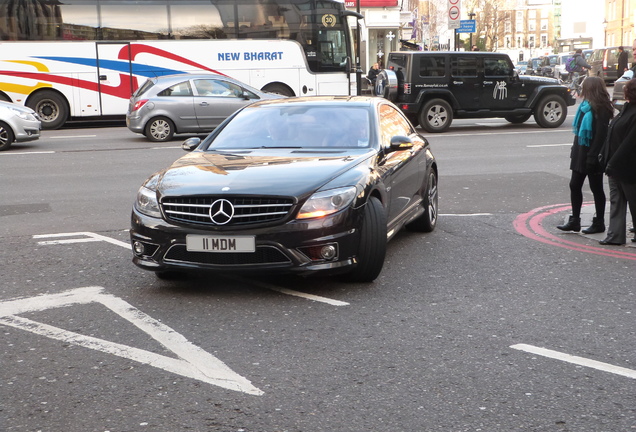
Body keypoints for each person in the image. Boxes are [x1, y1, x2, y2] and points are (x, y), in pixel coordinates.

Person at [557, 76, 613, 233]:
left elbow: (601, 136)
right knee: (574, 185)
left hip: (592, 155)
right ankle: (575, 220)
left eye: (584, 87)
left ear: (591, 89)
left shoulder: (601, 109)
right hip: (580, 152)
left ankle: (599, 222)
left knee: (596, 188)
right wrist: (575, 149)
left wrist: (592, 156)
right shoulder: (585, 106)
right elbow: (579, 132)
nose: (582, 89)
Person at [598, 78, 636, 245]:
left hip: (628, 167)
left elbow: (629, 143)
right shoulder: (626, 109)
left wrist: (612, 162)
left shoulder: (633, 113)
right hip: (614, 166)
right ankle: (615, 235)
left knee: (633, 202)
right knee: (616, 200)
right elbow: (611, 134)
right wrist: (604, 155)